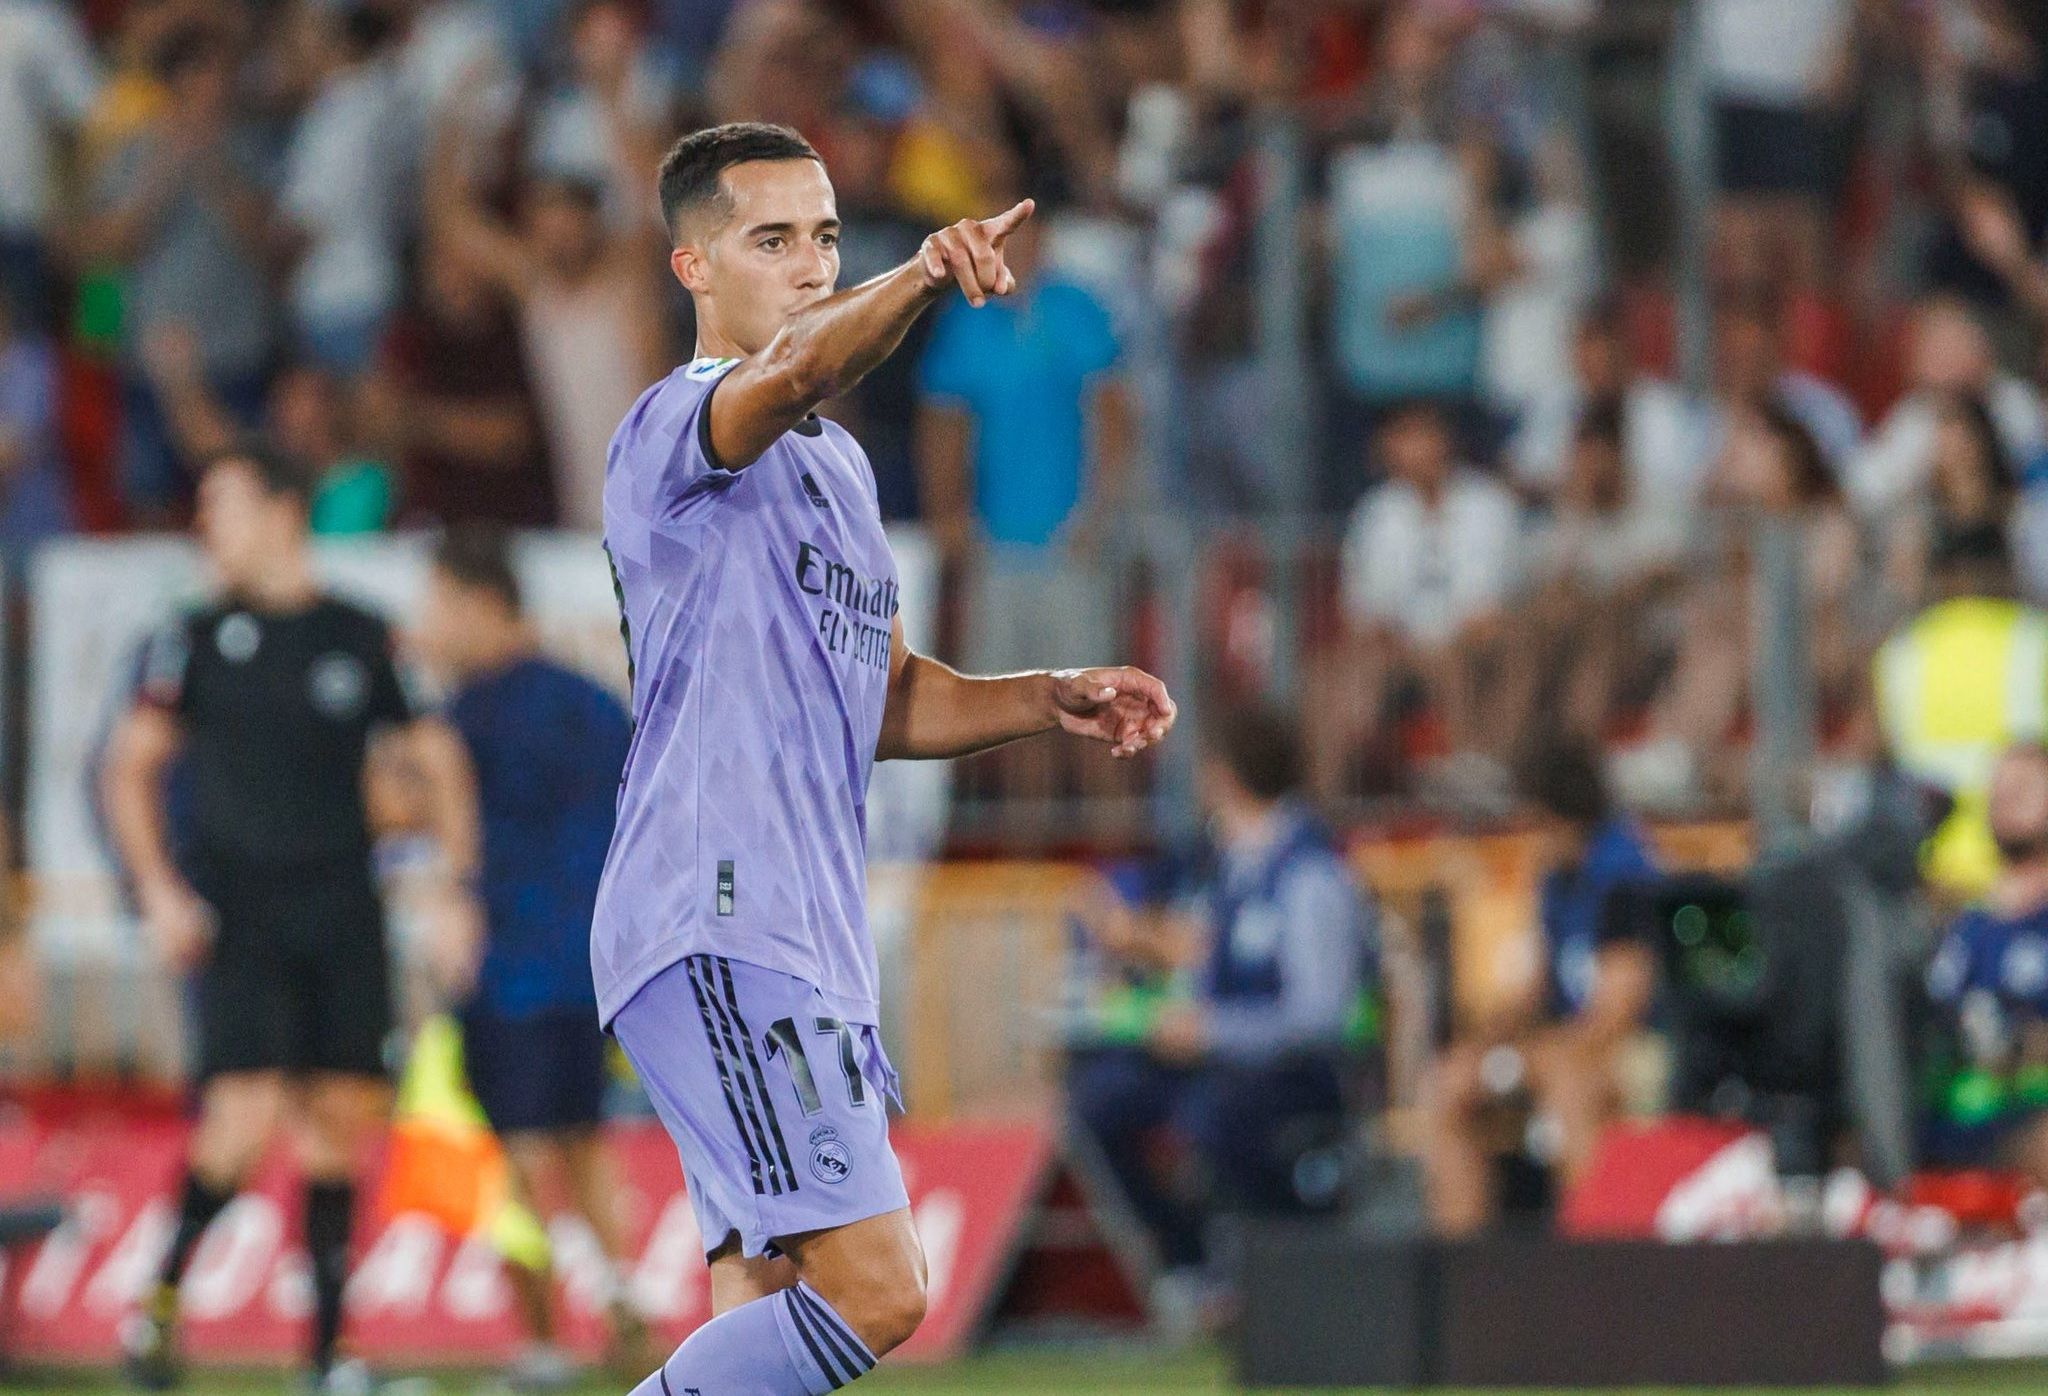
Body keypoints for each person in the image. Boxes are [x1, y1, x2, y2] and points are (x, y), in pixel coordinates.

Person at [598, 122, 1176, 1395]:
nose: (808, 266)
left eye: (823, 239)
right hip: (717, 914)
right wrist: (916, 276)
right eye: (770, 242)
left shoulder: (843, 476)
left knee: (772, 1301)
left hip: (805, 929)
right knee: (879, 1290)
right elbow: (793, 370)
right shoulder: (673, 426)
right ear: (692, 267)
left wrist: (1045, 697)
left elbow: (886, 694)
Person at [102, 441, 481, 1392]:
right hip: (237, 911)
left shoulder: (362, 635)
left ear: (280, 512)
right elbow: (128, 768)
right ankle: (158, 1302)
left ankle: (325, 1357)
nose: (203, 526)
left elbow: (438, 762)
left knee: (336, 1125)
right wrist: (155, 887)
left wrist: (454, 887)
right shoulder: (188, 635)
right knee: (243, 1112)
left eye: (219, 505)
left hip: (343, 904)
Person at [413, 525, 647, 1388]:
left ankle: (542, 1339)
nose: (427, 628)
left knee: (510, 1154)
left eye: (436, 606)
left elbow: (433, 823)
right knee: (582, 1141)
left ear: (481, 602)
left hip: (509, 962)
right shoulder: (590, 703)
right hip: (590, 965)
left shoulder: (469, 715)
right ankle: (623, 1296)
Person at [1066, 708, 1372, 1282]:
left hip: (1291, 1076)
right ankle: (1185, 1261)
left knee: (1215, 1116)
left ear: (1224, 775)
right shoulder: (1228, 865)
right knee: (1100, 1101)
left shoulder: (1311, 876)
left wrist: (1213, 1031)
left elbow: (1320, 1015)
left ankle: (1260, 1264)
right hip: (1217, 1065)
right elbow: (1202, 963)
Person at [1421, 737, 1659, 1235]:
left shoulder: (1624, 872)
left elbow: (1619, 1009)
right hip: (1558, 1046)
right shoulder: (1556, 877)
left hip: (1633, 1049)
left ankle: (1592, 1257)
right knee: (1450, 1083)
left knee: (1568, 1083)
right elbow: (1539, 987)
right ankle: (1462, 1268)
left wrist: (1547, 1053)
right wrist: (1488, 1041)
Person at [1313, 399, 1524, 804]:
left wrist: (1440, 642)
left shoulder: (1488, 504)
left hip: (1470, 644)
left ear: (1446, 439)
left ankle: (1478, 784)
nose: (1416, 448)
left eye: (1424, 434)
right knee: (1326, 678)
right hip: (1401, 650)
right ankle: (1328, 802)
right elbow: (1364, 613)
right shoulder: (1376, 513)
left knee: (1453, 658)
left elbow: (1492, 609)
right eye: (1404, 437)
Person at [1924, 742, 2048, 1189]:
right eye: (1998, 787)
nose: (2005, 797)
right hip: (1950, 1120)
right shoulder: (1959, 924)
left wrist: (2018, 1042)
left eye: (2025, 787)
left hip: (2030, 1118)